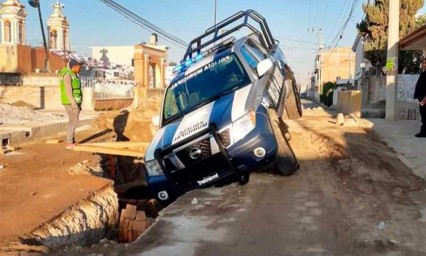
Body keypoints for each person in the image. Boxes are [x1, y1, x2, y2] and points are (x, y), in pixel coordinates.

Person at [59, 59, 84, 148]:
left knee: (73, 121)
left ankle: (71, 141)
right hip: (70, 103)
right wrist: (74, 104)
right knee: (73, 121)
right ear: (74, 67)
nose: (80, 68)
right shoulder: (67, 75)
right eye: (79, 67)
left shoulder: (73, 74)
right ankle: (69, 142)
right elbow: (68, 91)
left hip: (74, 103)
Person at [414, 59, 426, 138]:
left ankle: (423, 133)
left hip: (425, 99)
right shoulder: (424, 73)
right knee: (424, 115)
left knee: (425, 116)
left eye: (425, 63)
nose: (423, 64)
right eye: (423, 62)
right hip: (422, 99)